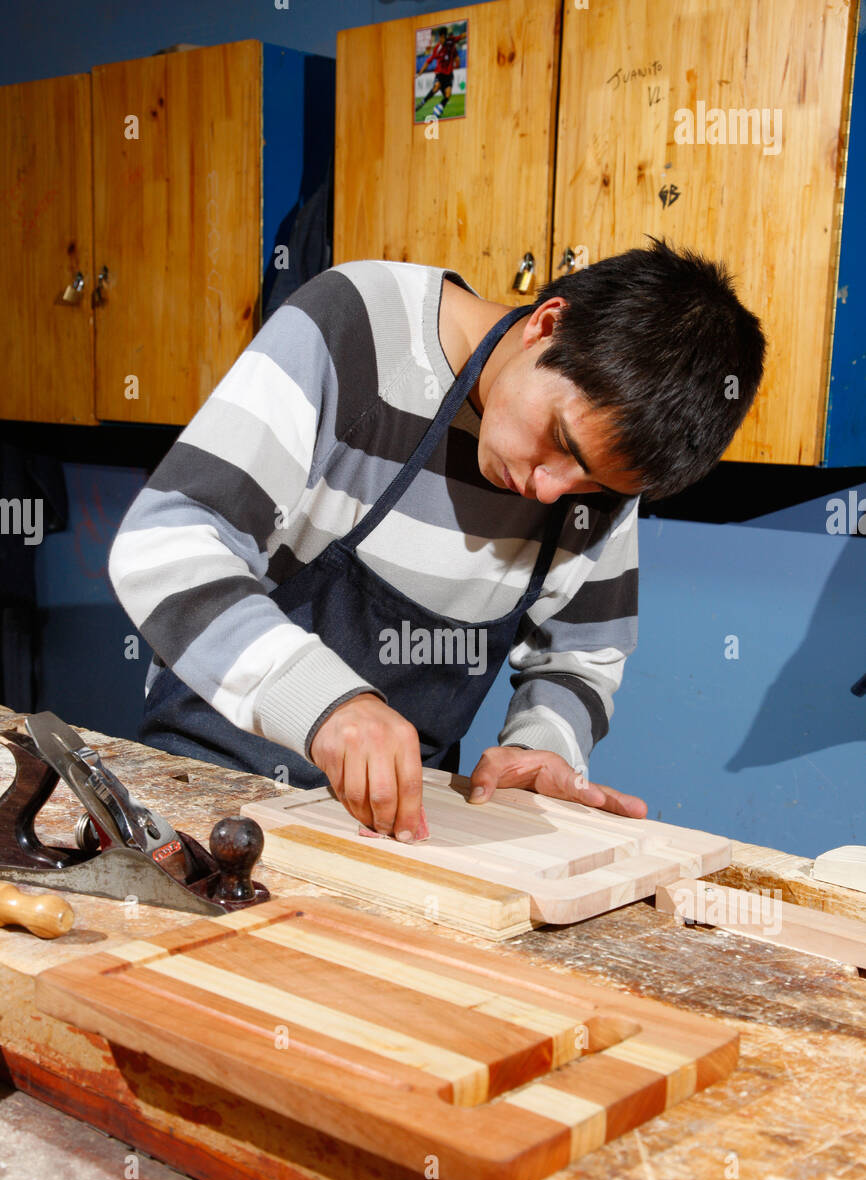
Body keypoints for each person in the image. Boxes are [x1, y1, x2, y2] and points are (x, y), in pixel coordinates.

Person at [108, 238, 766, 842]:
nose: (546, 489)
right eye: (559, 442)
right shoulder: (360, 328)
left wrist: (545, 748)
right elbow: (167, 542)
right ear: (546, 324)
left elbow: (582, 654)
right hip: (211, 788)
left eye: (589, 484)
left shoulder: (596, 477)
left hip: (395, 828)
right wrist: (322, 701)